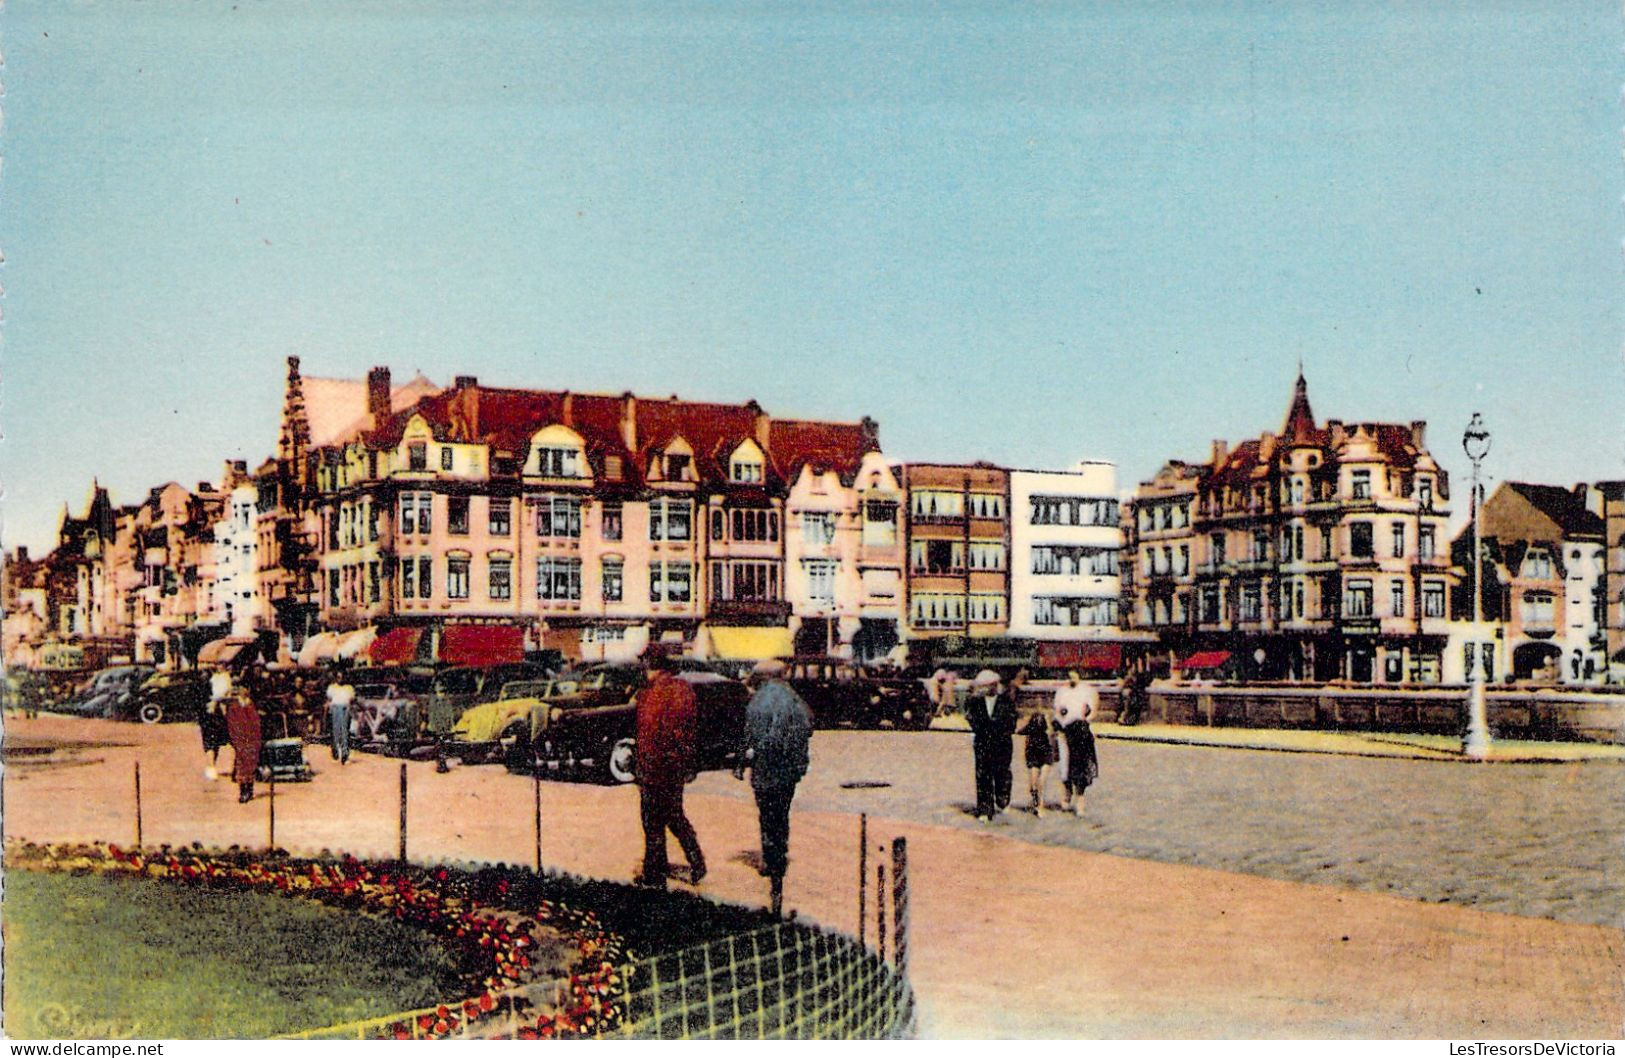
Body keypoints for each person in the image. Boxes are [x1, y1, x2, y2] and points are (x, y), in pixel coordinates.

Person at [737, 658, 813, 915]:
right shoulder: (794, 698)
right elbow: (807, 726)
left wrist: (748, 758)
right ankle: (778, 855)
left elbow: (751, 735)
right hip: (789, 769)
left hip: (766, 766)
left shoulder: (760, 699)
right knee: (781, 813)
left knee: (767, 814)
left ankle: (772, 861)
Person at [633, 654, 705, 888]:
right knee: (673, 815)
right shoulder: (683, 690)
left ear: (654, 667)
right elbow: (687, 730)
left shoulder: (653, 693)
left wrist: (645, 763)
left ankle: (654, 872)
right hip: (673, 765)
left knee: (653, 820)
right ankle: (694, 861)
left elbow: (651, 732)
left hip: (655, 765)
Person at [965, 669, 1016, 820]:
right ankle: (985, 809)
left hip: (1002, 744)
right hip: (983, 743)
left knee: (1002, 773)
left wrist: (1002, 731)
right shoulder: (976, 702)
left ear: (995, 685)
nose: (985, 689)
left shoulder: (1006, 701)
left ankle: (1002, 798)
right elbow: (971, 719)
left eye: (988, 686)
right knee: (983, 775)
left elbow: (1012, 721)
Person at [1053, 674, 1100, 817]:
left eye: (1075, 675)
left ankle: (1080, 802)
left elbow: (1092, 710)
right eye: (1069, 676)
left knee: (1080, 765)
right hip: (1065, 731)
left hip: (1081, 732)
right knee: (1065, 765)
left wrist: (1086, 720)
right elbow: (1057, 711)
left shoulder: (1086, 691)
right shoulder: (1062, 692)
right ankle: (1066, 795)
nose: (1072, 678)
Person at [224, 687, 262, 804]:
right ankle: (243, 791)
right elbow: (232, 724)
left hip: (252, 739)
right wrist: (236, 739)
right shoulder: (235, 707)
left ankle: (249, 790)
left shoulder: (251, 705)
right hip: (240, 739)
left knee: (251, 763)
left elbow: (256, 723)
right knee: (241, 764)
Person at [1018, 707, 1058, 815]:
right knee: (1033, 784)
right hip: (1033, 754)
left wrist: (1049, 722)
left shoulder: (1049, 731)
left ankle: (1040, 806)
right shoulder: (1030, 731)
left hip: (1046, 755)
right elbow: (1019, 731)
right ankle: (1036, 800)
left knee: (1041, 782)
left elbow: (1053, 734)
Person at [199, 667, 232, 779]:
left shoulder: (204, 686)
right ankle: (211, 767)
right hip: (213, 715)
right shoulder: (217, 682)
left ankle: (211, 767)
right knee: (214, 742)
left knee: (211, 743)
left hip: (208, 716)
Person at [326, 671, 355, 765]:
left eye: (342, 677)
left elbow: (351, 699)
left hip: (345, 709)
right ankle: (335, 752)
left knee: (344, 732)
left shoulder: (349, 687)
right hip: (335, 709)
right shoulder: (332, 687)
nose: (340, 679)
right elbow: (329, 699)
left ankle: (345, 755)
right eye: (338, 677)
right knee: (335, 731)